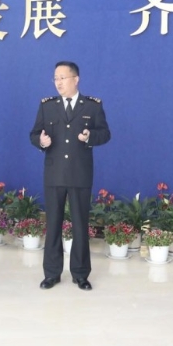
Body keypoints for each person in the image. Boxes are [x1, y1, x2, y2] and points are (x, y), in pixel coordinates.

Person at [29, 61, 111, 291]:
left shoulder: (92, 106)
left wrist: (89, 136)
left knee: (80, 226)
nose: (58, 82)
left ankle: (80, 274)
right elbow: (34, 134)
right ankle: (51, 274)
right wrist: (40, 141)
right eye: (55, 78)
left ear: (76, 79)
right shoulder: (47, 106)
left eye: (62, 78)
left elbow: (105, 133)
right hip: (54, 173)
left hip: (80, 173)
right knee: (53, 225)